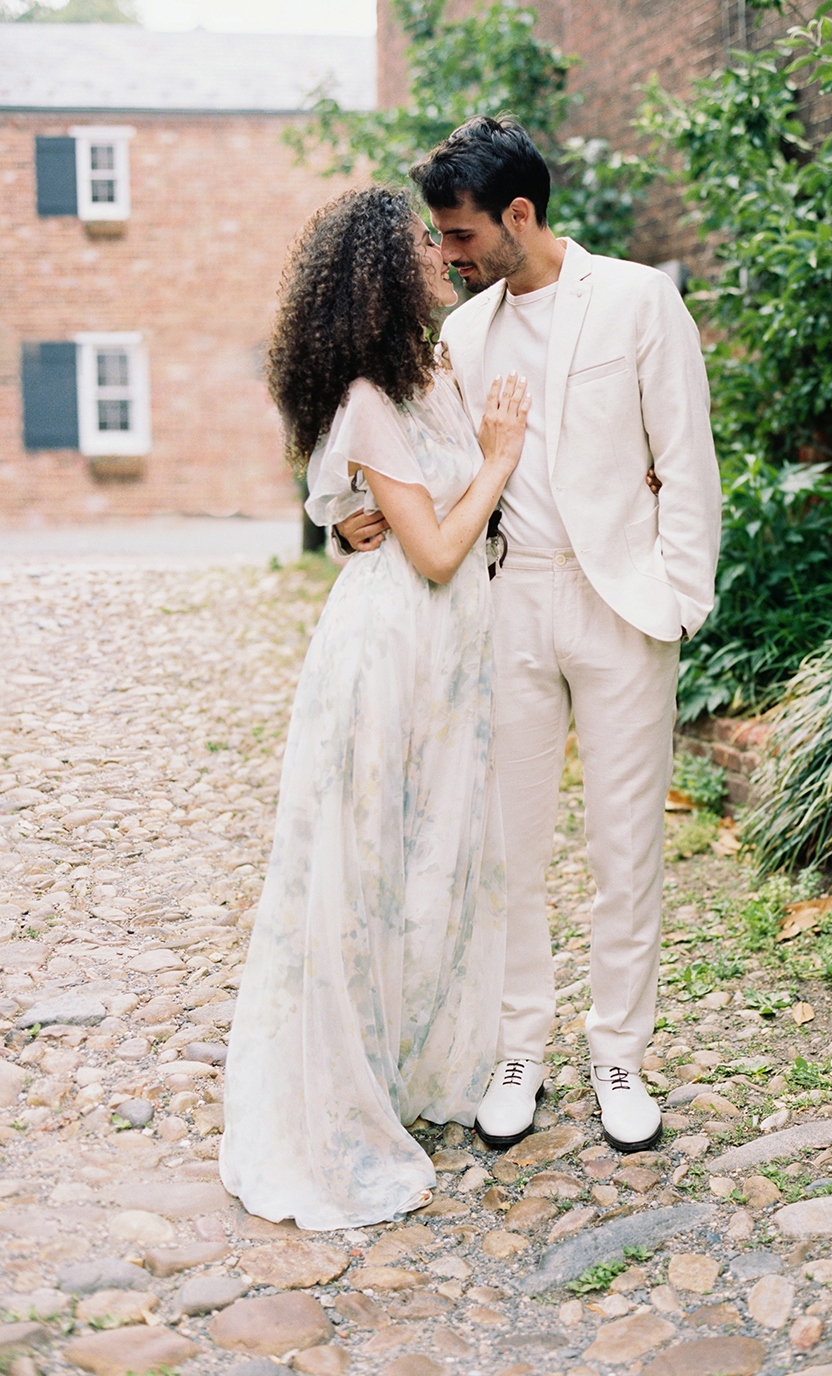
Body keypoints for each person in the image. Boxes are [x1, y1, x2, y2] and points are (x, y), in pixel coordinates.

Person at [339, 117, 722, 1155]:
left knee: (623, 846)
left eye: (460, 235)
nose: (448, 254)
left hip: (622, 608)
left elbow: (686, 459)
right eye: (440, 237)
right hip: (503, 607)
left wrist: (679, 597)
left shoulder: (640, 299)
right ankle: (519, 1045)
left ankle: (619, 1056)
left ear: (519, 214)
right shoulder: (461, 337)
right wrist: (345, 517)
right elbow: (404, 453)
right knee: (506, 847)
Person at [219, 186, 529, 1230]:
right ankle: (341, 1094)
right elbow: (436, 551)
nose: (438, 254)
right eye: (417, 246)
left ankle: (406, 1062)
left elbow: (409, 520)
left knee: (431, 858)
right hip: (389, 647)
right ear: (379, 275)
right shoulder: (363, 397)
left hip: (447, 661)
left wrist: (406, 497)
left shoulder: (430, 374)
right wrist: (495, 460)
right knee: (360, 870)